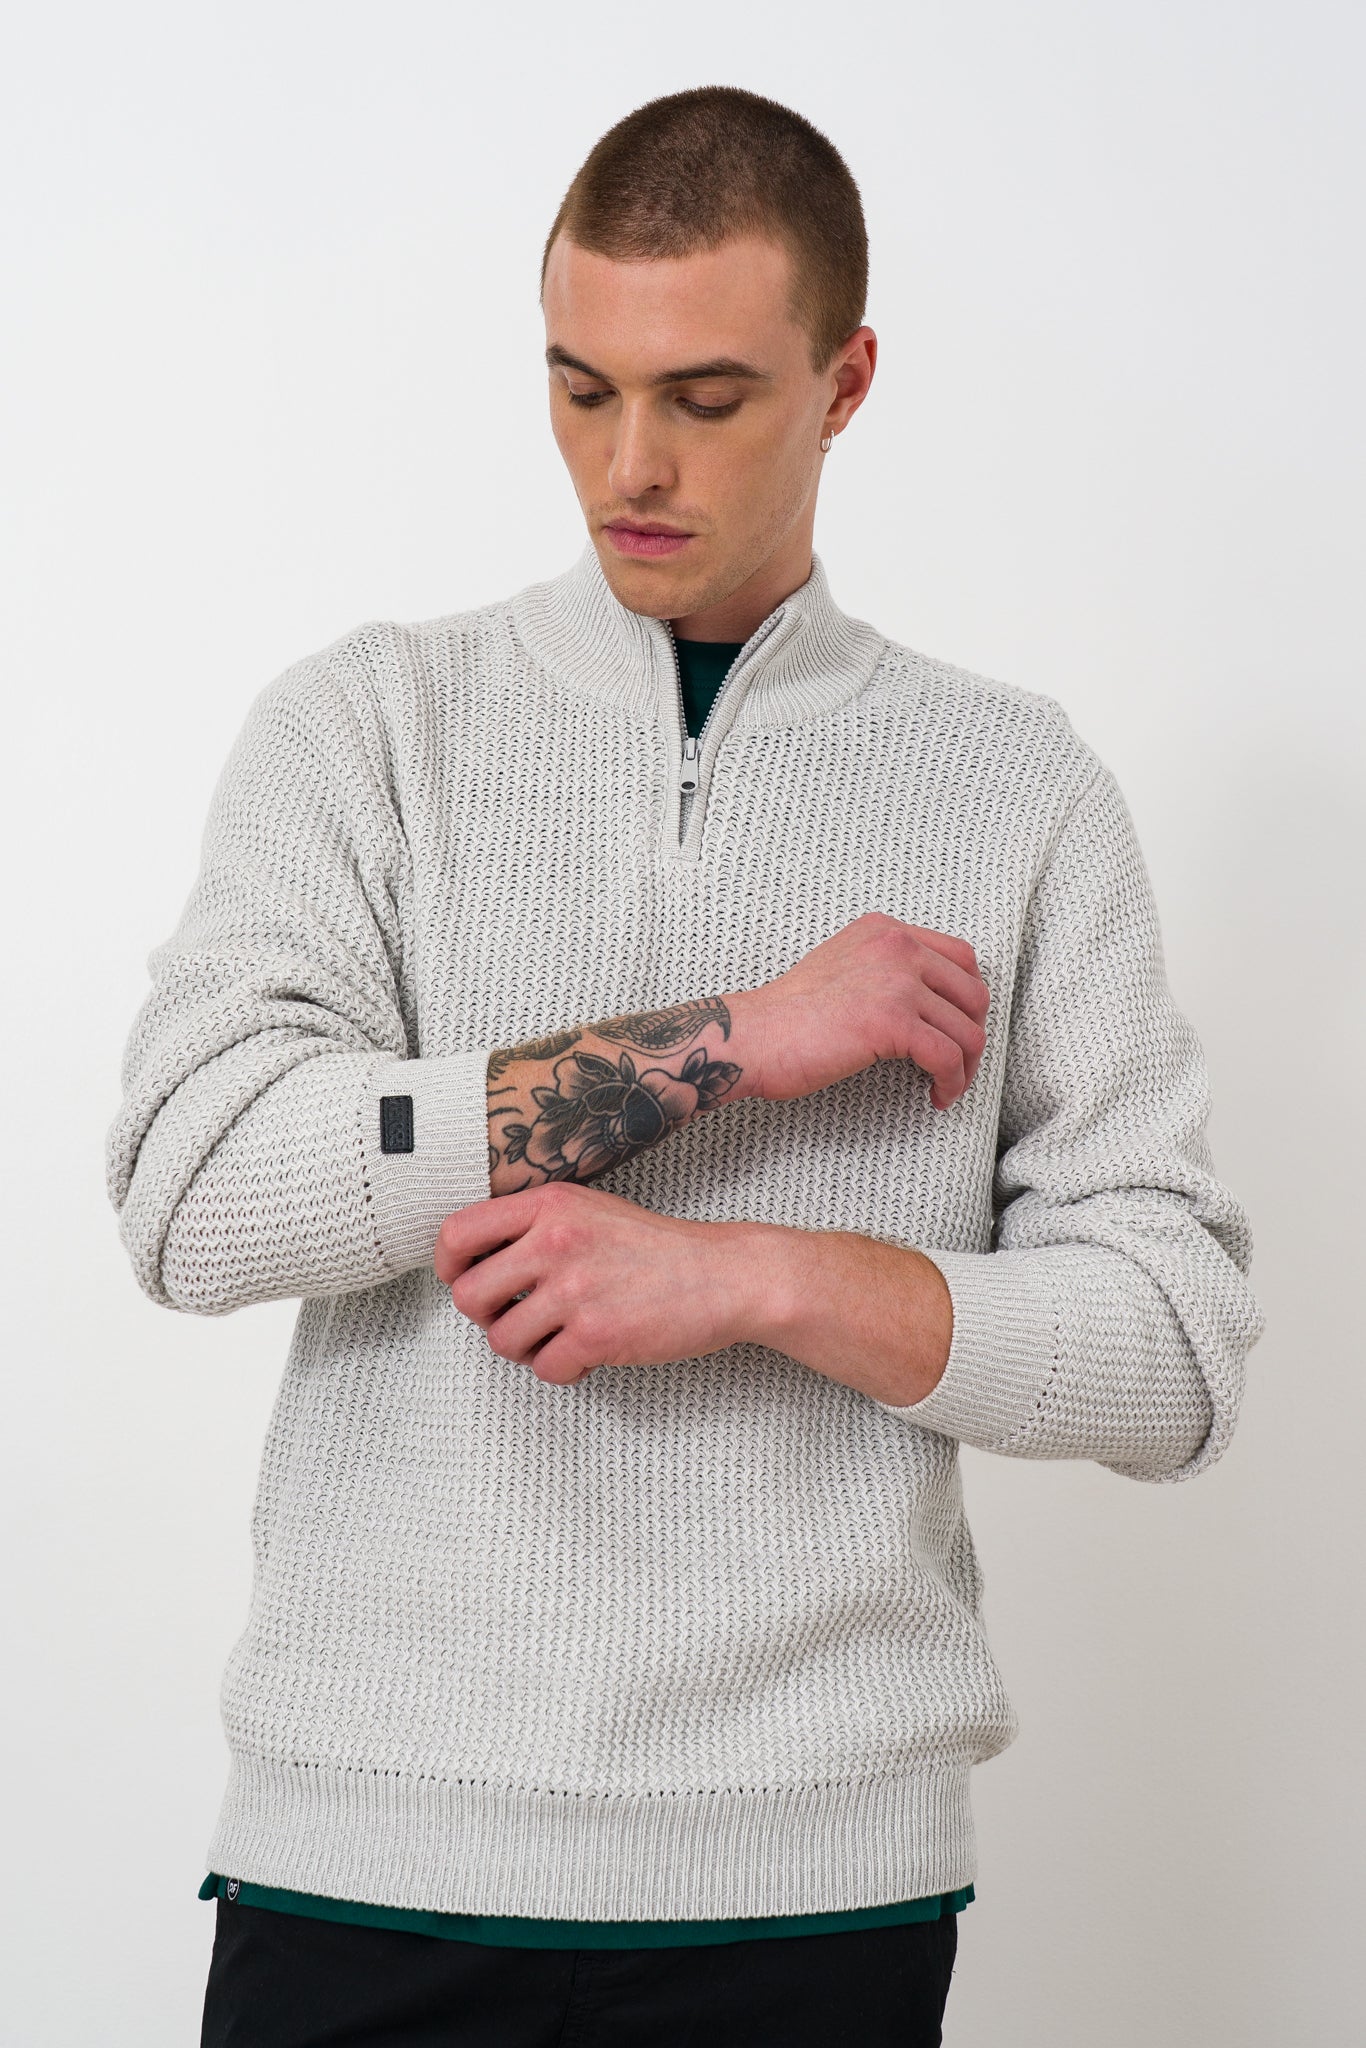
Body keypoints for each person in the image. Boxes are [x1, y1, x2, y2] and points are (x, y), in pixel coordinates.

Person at [106, 84, 1266, 2048]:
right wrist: (724, 1044)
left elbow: (1170, 1351)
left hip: (810, 1886)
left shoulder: (1016, 789)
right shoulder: (369, 726)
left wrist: (753, 1279)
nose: (626, 464)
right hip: (368, 1855)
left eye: (704, 400)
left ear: (844, 381)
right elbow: (192, 1193)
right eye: (580, 389)